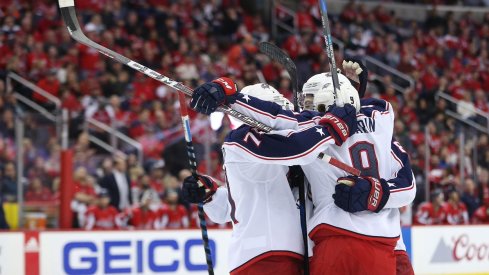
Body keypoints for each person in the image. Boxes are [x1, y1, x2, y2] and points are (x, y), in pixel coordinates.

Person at [189, 66, 415, 274]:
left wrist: (212, 196)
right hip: (267, 255)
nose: (302, 112)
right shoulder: (246, 141)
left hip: (310, 252)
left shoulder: (306, 153)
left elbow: (263, 196)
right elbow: (294, 143)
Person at [186, 81, 358, 275]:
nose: (285, 117)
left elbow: (247, 202)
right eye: (276, 110)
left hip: (295, 254)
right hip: (264, 254)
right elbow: (295, 148)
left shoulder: (284, 154)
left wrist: (212, 196)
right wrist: (332, 129)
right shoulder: (241, 139)